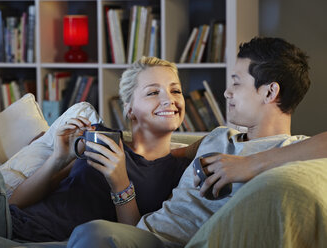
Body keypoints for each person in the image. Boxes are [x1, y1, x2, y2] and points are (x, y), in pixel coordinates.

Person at [65, 37, 327, 247]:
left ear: (270, 91)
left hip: (181, 243)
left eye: (236, 83)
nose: (226, 92)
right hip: (142, 234)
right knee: (89, 234)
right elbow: (157, 155)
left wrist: (250, 165)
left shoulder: (292, 152)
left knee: (95, 234)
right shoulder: (218, 136)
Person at [0, 57, 192, 247]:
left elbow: (130, 240)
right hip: (7, 225)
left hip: (64, 243)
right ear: (129, 109)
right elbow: (15, 202)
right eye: (153, 92)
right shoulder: (99, 137)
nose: (169, 100)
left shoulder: (181, 171)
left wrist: (120, 183)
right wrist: (57, 159)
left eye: (176, 91)